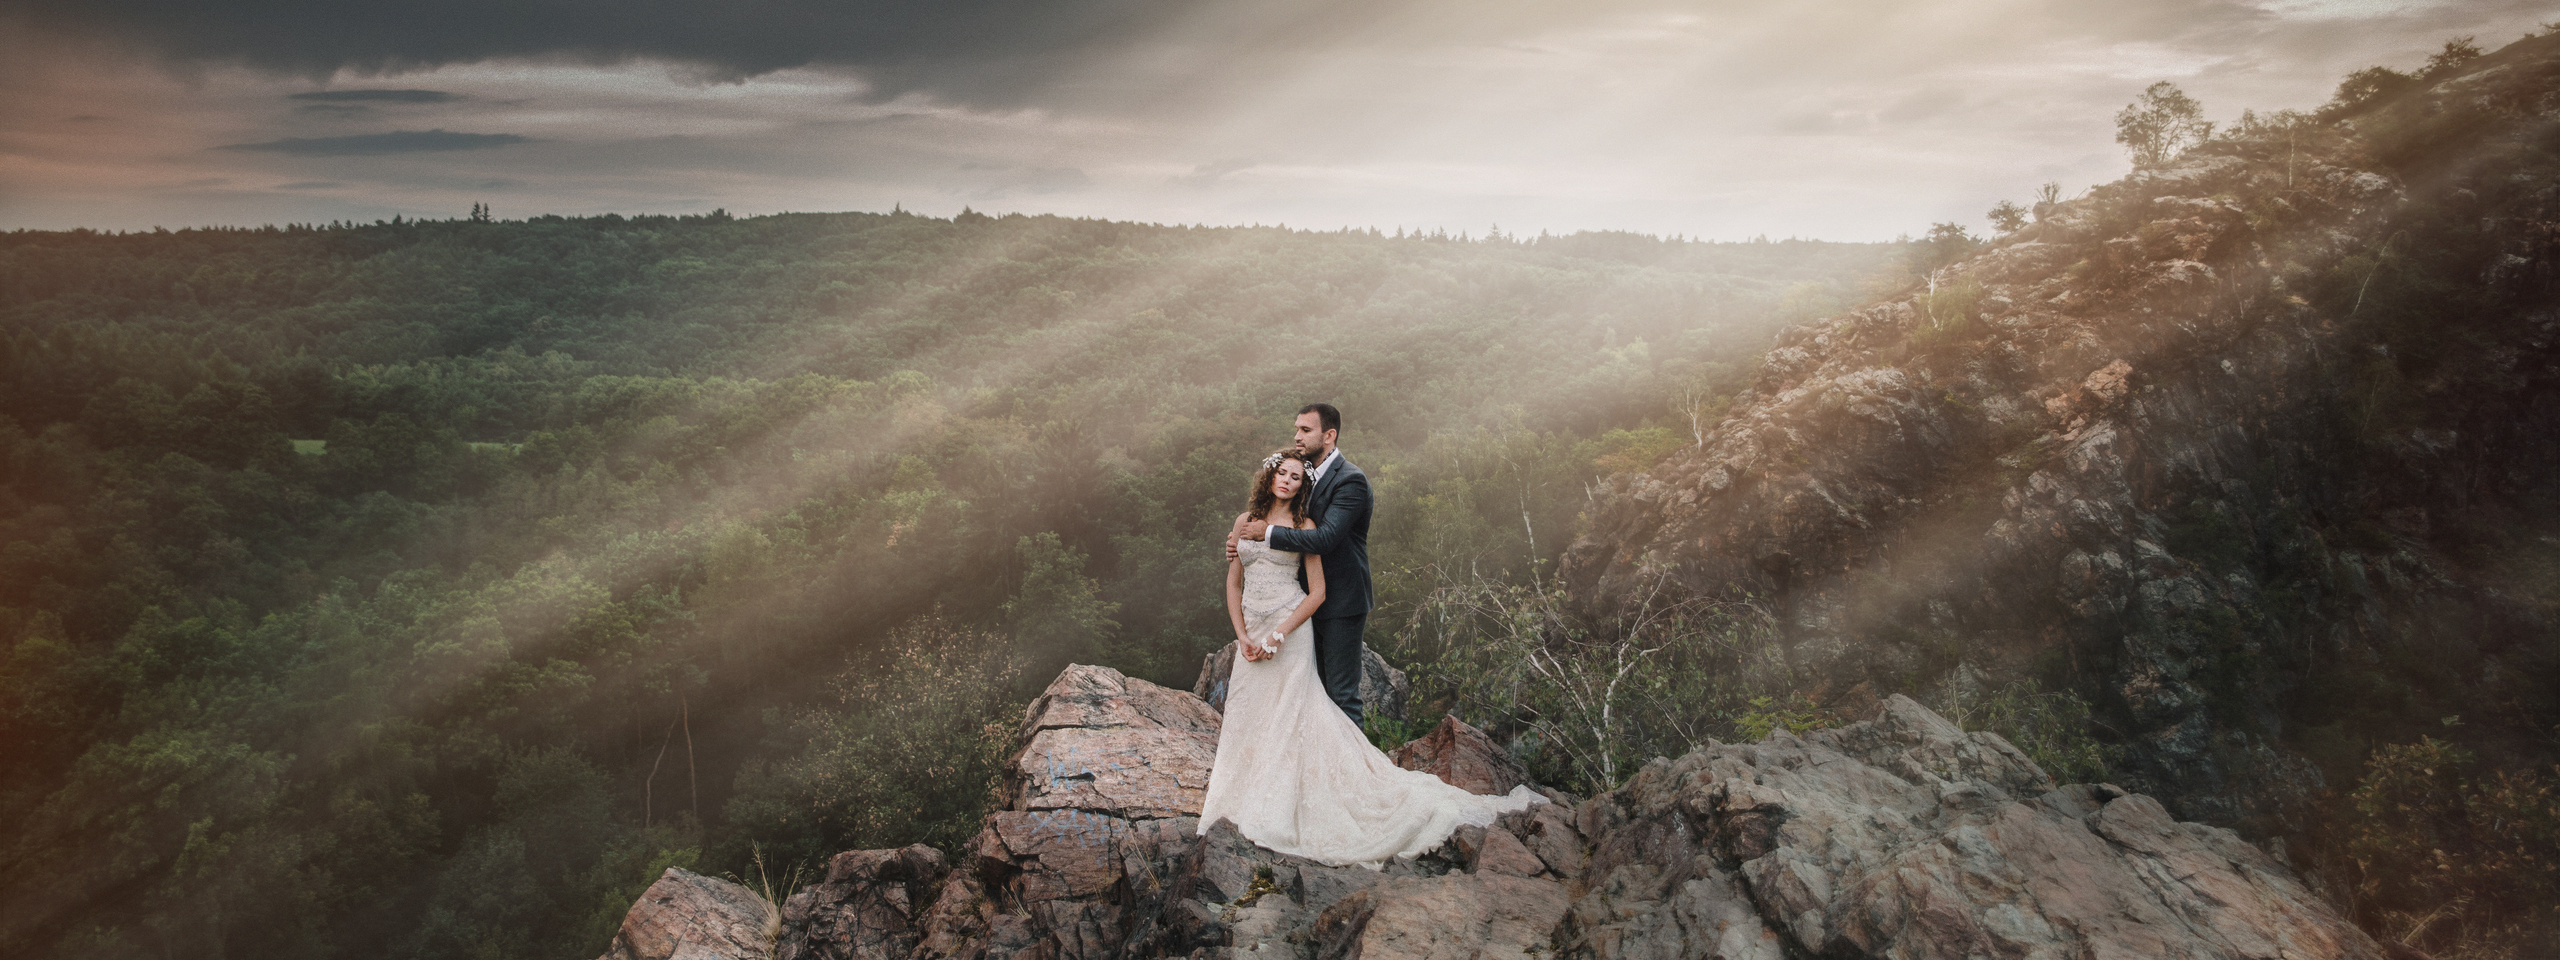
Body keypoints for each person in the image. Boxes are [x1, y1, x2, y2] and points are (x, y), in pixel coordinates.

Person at [1199, 447, 1541, 866]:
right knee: (1249, 715)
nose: (1286, 481)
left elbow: (1318, 592)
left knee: (1290, 715)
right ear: (1268, 476)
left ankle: (1284, 809)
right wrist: (1242, 636)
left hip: (1289, 628)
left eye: (1295, 476)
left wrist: (1280, 634)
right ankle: (1239, 800)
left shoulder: (1305, 524)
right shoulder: (1244, 522)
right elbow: (1233, 584)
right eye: (1281, 473)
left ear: (1301, 485)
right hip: (1250, 627)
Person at [1228, 403, 1369, 724]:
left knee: (1340, 695)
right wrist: (1241, 543)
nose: (1297, 436)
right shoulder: (1305, 471)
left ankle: (1349, 771)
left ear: (1329, 435)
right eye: (1297, 429)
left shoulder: (1351, 481)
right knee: (1308, 694)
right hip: (1294, 603)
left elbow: (1325, 538)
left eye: (1305, 430)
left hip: (1340, 603)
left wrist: (1266, 534)